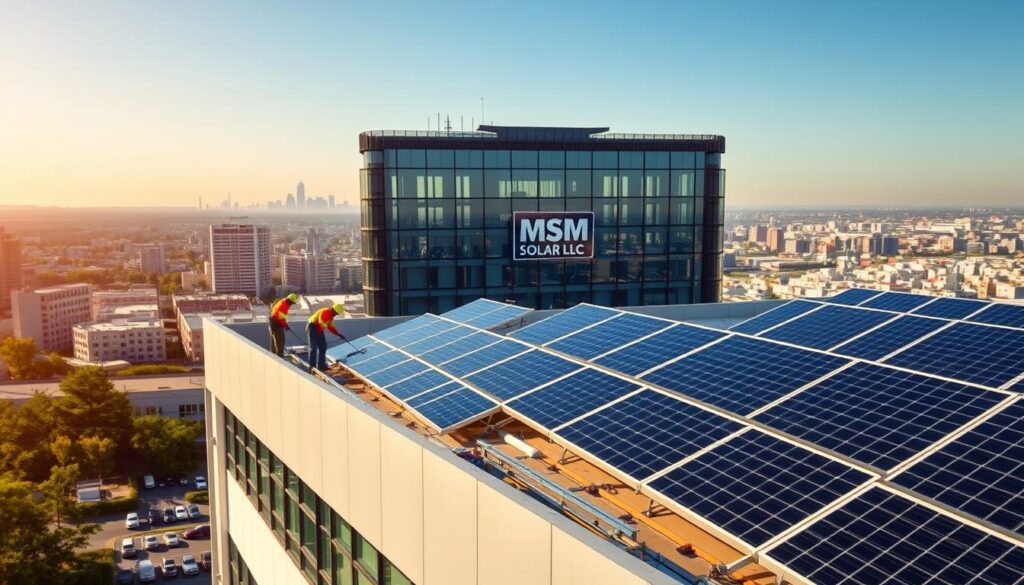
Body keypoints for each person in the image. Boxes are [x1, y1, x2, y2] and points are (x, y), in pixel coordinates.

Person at [306, 303, 345, 372]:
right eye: (336, 313)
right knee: (313, 347)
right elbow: (321, 323)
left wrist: (338, 334)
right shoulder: (325, 312)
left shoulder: (331, 316)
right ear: (334, 310)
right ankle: (311, 366)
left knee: (323, 346)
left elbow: (331, 327)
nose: (336, 315)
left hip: (319, 329)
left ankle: (321, 366)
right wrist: (323, 328)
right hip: (312, 326)